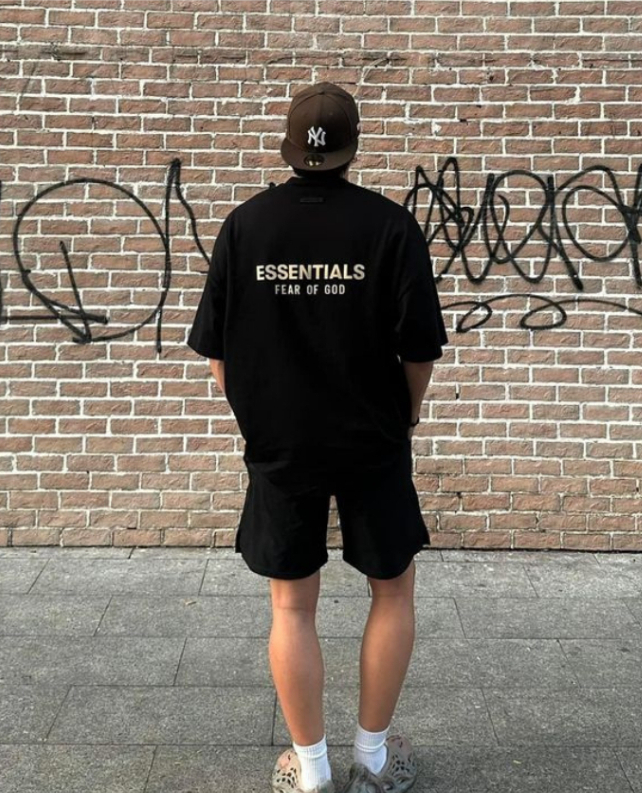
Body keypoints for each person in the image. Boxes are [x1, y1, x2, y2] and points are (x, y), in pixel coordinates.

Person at [187, 82, 448, 793]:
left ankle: (310, 770)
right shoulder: (391, 227)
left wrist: (260, 416)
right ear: (353, 148)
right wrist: (407, 414)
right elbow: (419, 351)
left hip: (283, 442)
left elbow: (217, 355)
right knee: (391, 590)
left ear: (288, 147)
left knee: (291, 605)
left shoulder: (246, 226)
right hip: (373, 438)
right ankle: (373, 759)